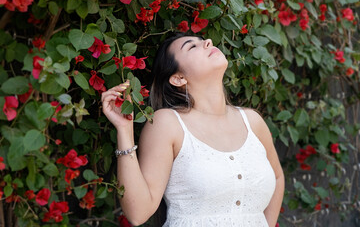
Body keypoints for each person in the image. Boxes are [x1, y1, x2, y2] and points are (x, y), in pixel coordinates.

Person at [101, 33, 285, 227]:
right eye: (192, 46)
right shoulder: (168, 124)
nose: (208, 42)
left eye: (204, 40)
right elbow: (138, 213)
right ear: (178, 78)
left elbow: (278, 176)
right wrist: (124, 130)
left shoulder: (253, 121)